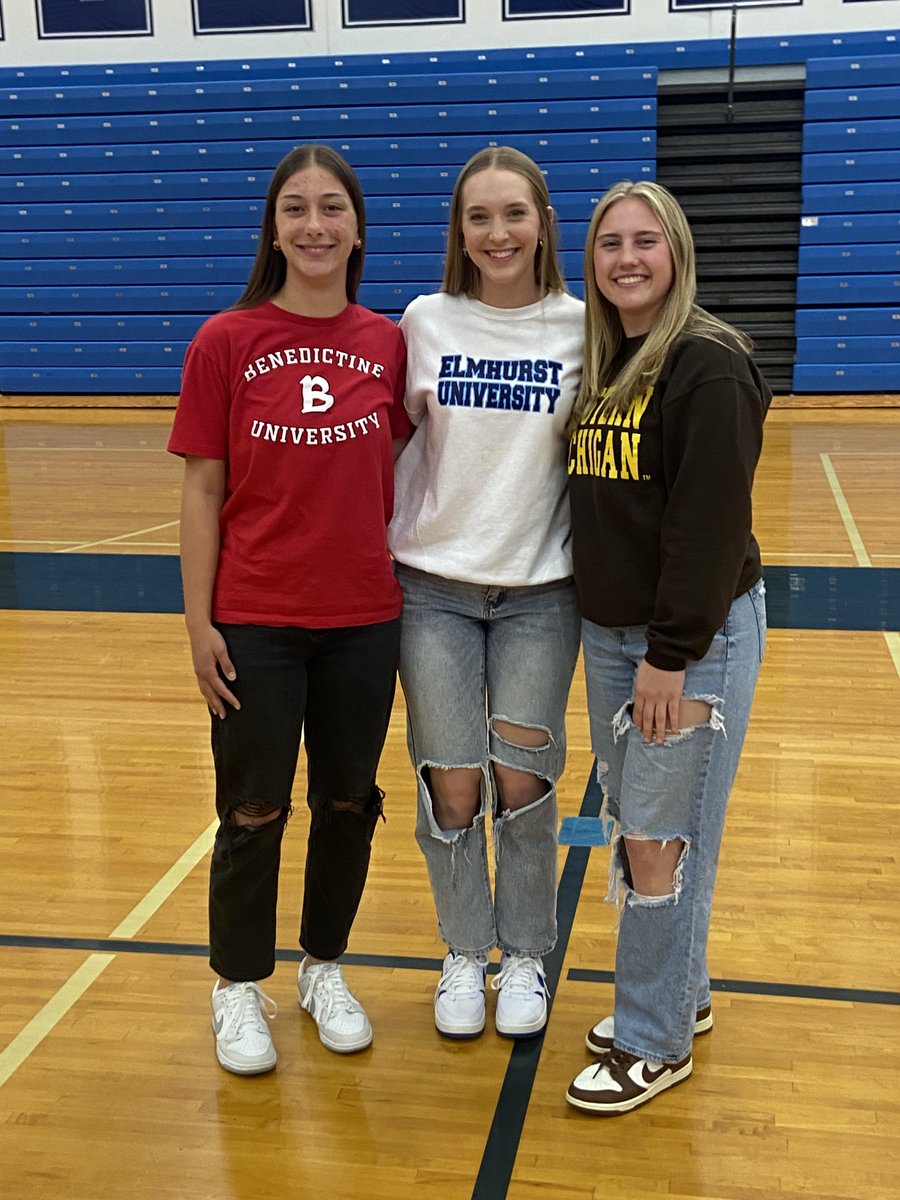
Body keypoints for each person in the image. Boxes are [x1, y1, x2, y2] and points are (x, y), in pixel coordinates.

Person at [167, 144, 412, 1075]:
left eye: (332, 207)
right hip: (255, 620)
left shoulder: (389, 342)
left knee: (348, 802)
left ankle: (324, 967)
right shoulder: (225, 340)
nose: (315, 225)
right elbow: (202, 492)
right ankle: (236, 984)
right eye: (296, 209)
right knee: (254, 809)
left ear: (358, 228)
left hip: (365, 619)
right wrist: (199, 625)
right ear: (273, 230)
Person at [564, 180, 770, 1114]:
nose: (627, 258)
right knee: (646, 826)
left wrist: (671, 652)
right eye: (610, 243)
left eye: (646, 240)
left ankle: (653, 1041)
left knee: (658, 840)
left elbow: (709, 527)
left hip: (686, 643)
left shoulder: (706, 364)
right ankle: (680, 992)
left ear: (677, 252)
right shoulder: (611, 358)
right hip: (614, 637)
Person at [389, 147, 584, 1040]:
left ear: (542, 223)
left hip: (541, 595)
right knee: (454, 785)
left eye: (514, 214)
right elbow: (386, 443)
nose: (497, 233)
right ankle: (465, 950)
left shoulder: (581, 328)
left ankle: (527, 954)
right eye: (479, 217)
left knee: (524, 781)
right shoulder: (425, 320)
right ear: (458, 231)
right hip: (432, 591)